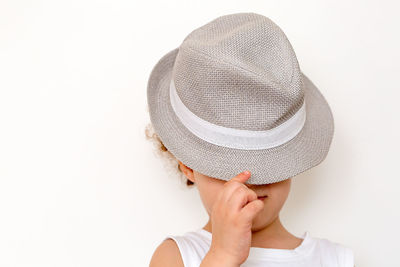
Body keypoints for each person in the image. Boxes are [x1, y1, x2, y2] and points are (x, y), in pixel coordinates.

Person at [145, 12, 355, 267]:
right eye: (228, 167)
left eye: (269, 167)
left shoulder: (333, 260)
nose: (252, 181)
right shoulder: (177, 256)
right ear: (187, 164)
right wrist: (222, 256)